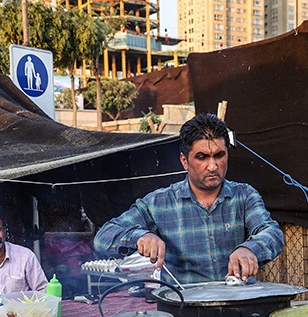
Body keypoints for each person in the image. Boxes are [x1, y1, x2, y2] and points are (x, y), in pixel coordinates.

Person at [93, 113, 285, 285]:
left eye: (219, 155)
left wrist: (249, 249)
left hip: (237, 307)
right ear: (185, 161)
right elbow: (103, 238)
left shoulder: (244, 196)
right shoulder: (158, 203)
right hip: (183, 309)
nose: (212, 166)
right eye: (202, 157)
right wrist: (140, 236)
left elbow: (271, 232)